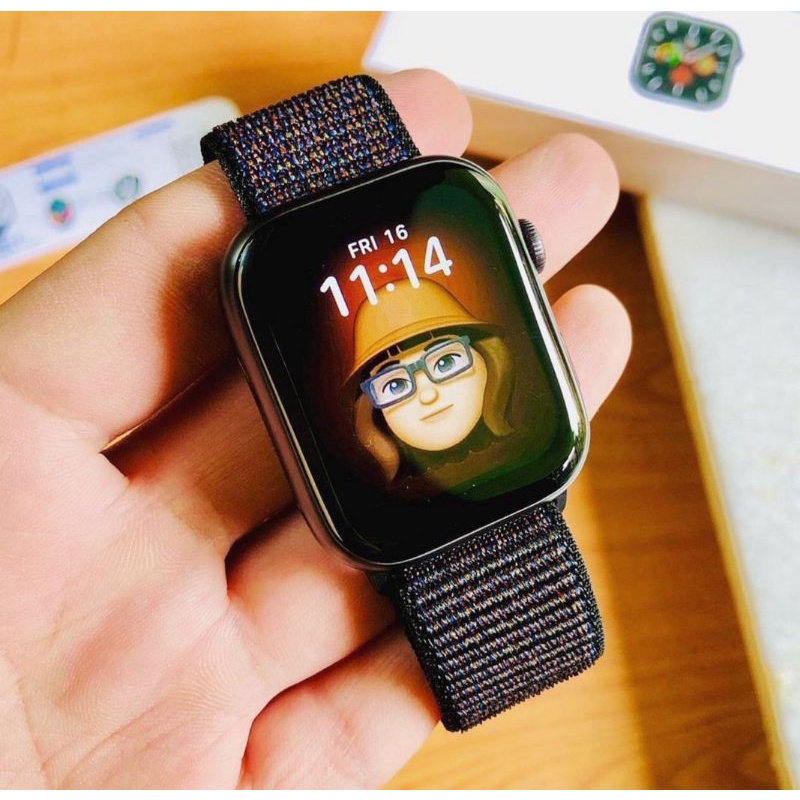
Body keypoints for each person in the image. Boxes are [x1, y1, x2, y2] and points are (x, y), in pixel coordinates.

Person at [0, 69, 631, 788]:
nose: (427, 395)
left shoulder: (535, 451)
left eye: (445, 361)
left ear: (491, 362)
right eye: (395, 382)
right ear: (370, 412)